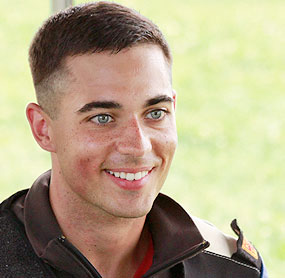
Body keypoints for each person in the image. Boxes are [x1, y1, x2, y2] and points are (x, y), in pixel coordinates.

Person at [0, 2, 268, 277]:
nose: (138, 146)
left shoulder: (230, 268)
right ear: (43, 129)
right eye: (103, 118)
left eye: (155, 113)